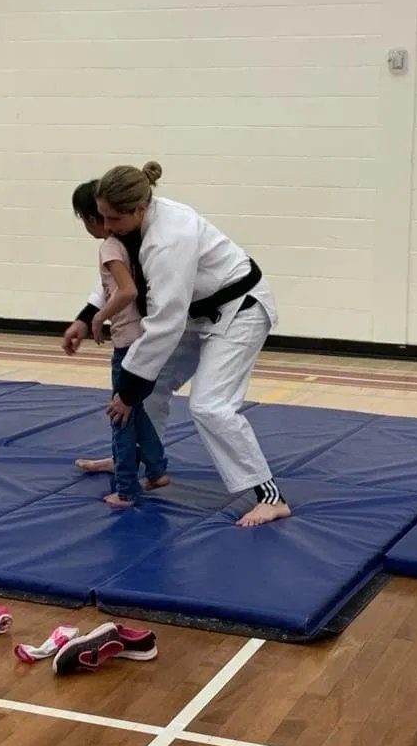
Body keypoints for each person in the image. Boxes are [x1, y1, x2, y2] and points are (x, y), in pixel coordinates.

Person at [63, 162, 290, 527]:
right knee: (148, 390)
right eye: (101, 218)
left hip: (240, 311)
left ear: (140, 208)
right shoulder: (130, 226)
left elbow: (165, 321)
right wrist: (84, 316)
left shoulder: (170, 237)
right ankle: (131, 458)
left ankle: (271, 496)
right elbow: (118, 278)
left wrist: (126, 389)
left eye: (114, 220)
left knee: (210, 405)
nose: (106, 229)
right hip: (196, 314)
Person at [71, 181, 168, 506]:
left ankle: (126, 488)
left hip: (129, 342)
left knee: (120, 413)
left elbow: (127, 291)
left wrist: (99, 318)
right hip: (141, 337)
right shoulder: (130, 241)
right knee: (135, 409)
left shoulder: (110, 247)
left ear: (92, 217)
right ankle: (156, 469)